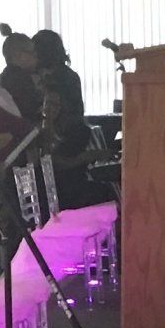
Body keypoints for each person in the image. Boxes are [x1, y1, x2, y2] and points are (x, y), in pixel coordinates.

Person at [31, 27, 94, 207]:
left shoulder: (57, 78)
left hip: (63, 138)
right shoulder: (70, 76)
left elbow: (69, 112)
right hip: (68, 135)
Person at [0, 29, 43, 124]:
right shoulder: (23, 79)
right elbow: (29, 112)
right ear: (19, 55)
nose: (36, 56)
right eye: (32, 52)